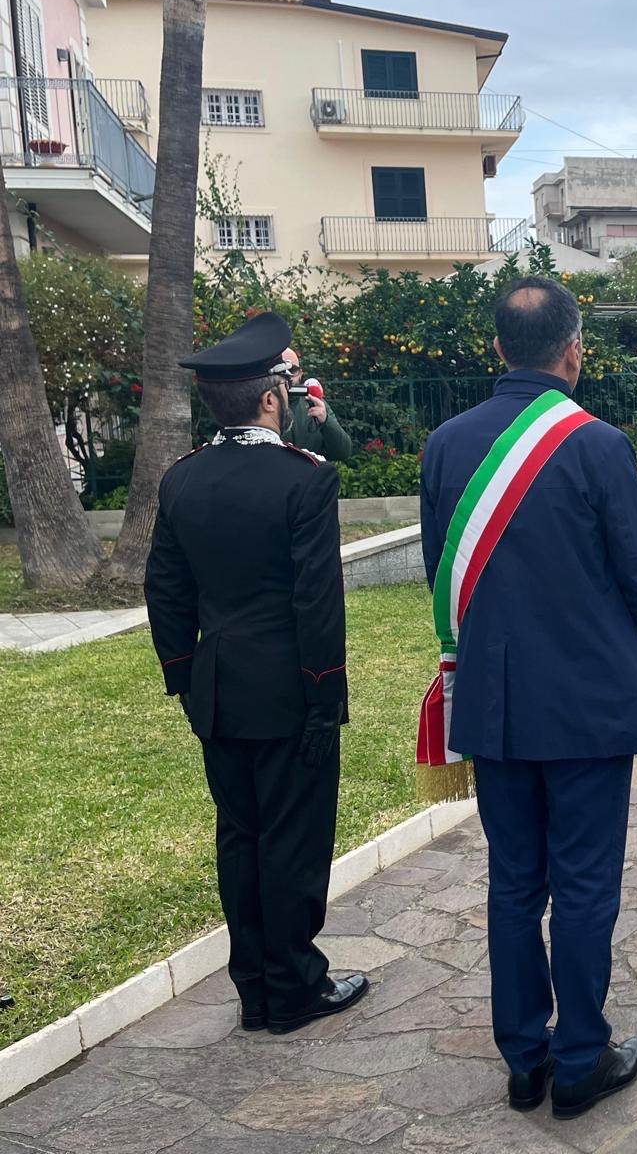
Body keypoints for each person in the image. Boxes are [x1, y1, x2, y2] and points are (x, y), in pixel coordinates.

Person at [420, 277, 637, 1120]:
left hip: (491, 706)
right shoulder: (599, 444)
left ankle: (525, 1060)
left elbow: (439, 576)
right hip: (587, 709)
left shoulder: (446, 445)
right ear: (574, 350)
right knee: (586, 885)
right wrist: (619, 670)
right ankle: (581, 1059)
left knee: (515, 884)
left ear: (497, 348)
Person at [144, 312, 365, 1035]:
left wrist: (183, 678)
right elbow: (316, 602)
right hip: (290, 690)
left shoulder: (181, 480)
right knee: (294, 842)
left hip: (217, 690)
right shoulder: (304, 478)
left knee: (240, 839)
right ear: (272, 398)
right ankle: (296, 986)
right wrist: (325, 696)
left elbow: (166, 591)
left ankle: (256, 990)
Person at [282, 348, 353, 462]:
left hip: (310, 477)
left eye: (292, 369)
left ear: (300, 373)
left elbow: (343, 452)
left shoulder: (316, 404)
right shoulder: (264, 404)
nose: (287, 375)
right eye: (281, 369)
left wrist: (326, 421)